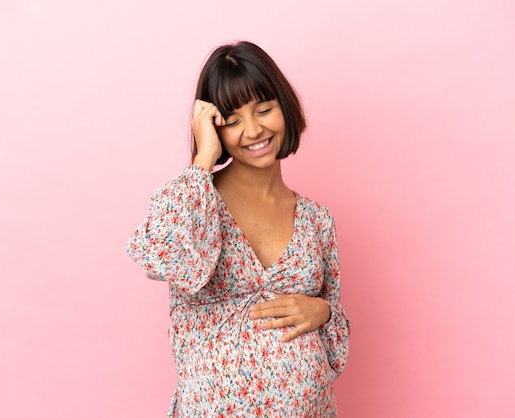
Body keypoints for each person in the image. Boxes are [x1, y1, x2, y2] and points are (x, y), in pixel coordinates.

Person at [127, 41, 350, 417]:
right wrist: (203, 159)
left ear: (284, 107)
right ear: (215, 127)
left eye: (264, 109)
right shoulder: (195, 203)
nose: (253, 129)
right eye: (232, 120)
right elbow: (161, 256)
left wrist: (324, 312)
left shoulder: (316, 220)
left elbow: (336, 327)